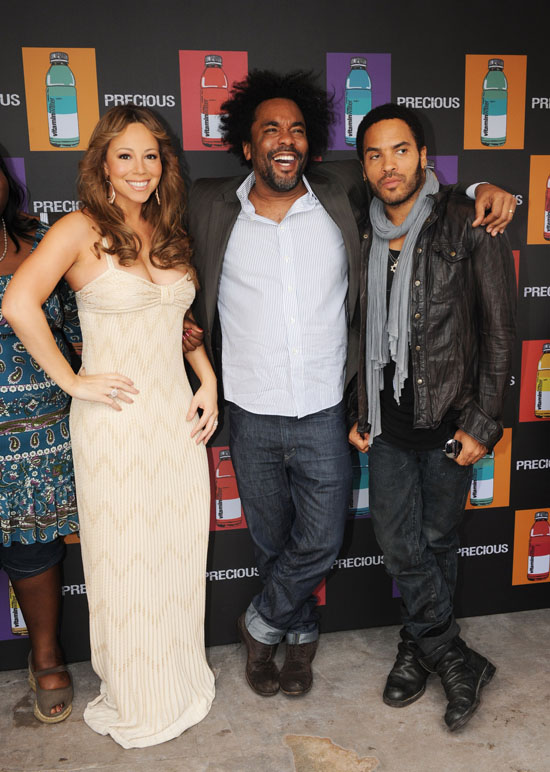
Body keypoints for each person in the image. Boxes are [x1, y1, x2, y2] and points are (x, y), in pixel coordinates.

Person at [187, 69, 516, 699]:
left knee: (354, 538)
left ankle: (269, 624)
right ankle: (294, 635)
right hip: (253, 408)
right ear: (246, 143)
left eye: (298, 130)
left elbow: (426, 204)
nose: (285, 141)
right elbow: (161, 251)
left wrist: (483, 187)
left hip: (335, 410)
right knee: (272, 539)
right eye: (270, 130)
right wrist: (177, 313)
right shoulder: (209, 202)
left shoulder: (340, 197)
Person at [2, 106, 217, 748]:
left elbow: (173, 322)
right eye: (125, 156)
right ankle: (138, 692)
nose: (140, 168)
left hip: (175, 421)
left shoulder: (167, 228)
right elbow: (17, 302)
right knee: (124, 560)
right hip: (115, 424)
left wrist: (206, 376)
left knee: (175, 556)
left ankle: (176, 678)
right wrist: (72, 380)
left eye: (151, 155)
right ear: (101, 163)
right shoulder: (76, 229)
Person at [348, 103, 516, 730]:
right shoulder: (360, 227)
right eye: (373, 154)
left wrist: (483, 420)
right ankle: (451, 655)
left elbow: (500, 332)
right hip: (389, 422)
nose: (387, 165)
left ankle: (417, 649)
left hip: (449, 419)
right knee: (398, 539)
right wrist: (361, 405)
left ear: (423, 156)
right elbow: (360, 328)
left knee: (438, 540)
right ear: (363, 165)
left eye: (399, 150)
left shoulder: (466, 222)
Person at [0, 151, 80, 723]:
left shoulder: (45, 239)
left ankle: (45, 652)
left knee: (35, 546)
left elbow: (84, 321)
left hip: (43, 432)